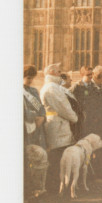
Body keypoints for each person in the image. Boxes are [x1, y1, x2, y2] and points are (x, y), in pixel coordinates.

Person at [40, 63, 79, 191]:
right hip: (58, 125)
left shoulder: (53, 87)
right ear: (51, 72)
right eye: (58, 71)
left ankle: (58, 185)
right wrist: (74, 118)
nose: (60, 74)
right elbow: (64, 107)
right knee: (58, 158)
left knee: (59, 157)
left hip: (58, 124)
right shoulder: (52, 88)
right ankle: (55, 186)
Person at [78, 65, 102, 177]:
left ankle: (101, 170)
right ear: (101, 76)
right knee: (92, 147)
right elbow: (89, 106)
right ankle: (91, 172)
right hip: (93, 122)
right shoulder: (88, 88)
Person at [23, 65, 46, 149]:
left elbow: (40, 107)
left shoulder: (33, 91)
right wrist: (35, 116)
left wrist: (42, 116)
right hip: (25, 126)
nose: (31, 81)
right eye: (28, 78)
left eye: (32, 78)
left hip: (37, 127)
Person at [60, 72, 83, 141]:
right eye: (69, 78)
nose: (71, 80)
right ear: (63, 80)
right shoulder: (61, 91)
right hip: (70, 122)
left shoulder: (66, 91)